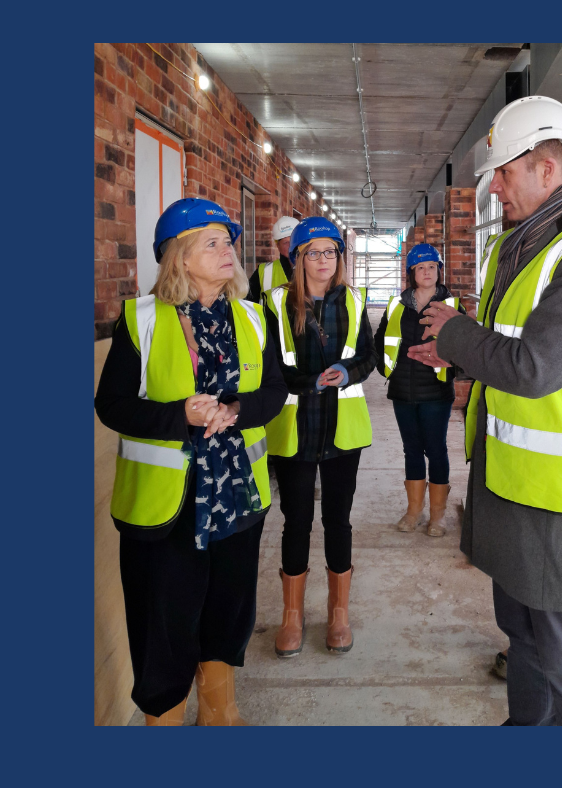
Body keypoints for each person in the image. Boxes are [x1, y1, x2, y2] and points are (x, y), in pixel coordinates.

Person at [411, 96, 562, 726]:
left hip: (559, 498)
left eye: (503, 173)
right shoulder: (524, 246)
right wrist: (457, 361)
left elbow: (535, 367)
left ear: (544, 168)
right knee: (523, 633)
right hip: (511, 483)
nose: (494, 190)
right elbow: (507, 352)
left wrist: (457, 333)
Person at [95, 197, 287, 726]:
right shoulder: (141, 320)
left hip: (236, 500)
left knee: (227, 612)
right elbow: (110, 405)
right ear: (179, 256)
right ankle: (165, 722)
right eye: (214, 242)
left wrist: (237, 409)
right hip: (166, 511)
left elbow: (273, 391)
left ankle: (220, 712)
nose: (229, 251)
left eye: (229, 242)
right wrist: (180, 415)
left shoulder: (255, 315)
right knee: (163, 623)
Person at [263, 217, 376, 657]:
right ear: (298, 258)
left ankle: (338, 614)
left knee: (338, 520)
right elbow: (270, 367)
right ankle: (292, 617)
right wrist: (309, 383)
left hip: (341, 429)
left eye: (331, 252)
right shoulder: (274, 304)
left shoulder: (354, 299)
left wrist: (348, 371)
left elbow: (368, 356)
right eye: (314, 252)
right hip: (295, 428)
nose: (324, 260)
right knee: (295, 522)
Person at [373, 243, 467, 536]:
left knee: (436, 449)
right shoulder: (396, 306)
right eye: (419, 267)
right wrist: (388, 369)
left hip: (435, 392)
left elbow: (465, 348)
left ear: (439, 271)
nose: (426, 272)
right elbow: (380, 341)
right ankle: (414, 510)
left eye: (431, 267)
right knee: (411, 450)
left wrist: (450, 366)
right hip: (402, 390)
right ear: (411, 273)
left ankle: (437, 516)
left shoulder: (452, 306)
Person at [247, 215, 299, 303]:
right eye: (286, 242)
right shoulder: (263, 272)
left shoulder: (315, 268)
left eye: (294, 240)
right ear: (278, 246)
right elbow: (247, 306)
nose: (291, 246)